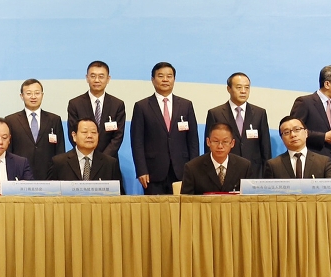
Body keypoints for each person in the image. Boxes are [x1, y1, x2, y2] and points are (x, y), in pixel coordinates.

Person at [130, 62, 199, 195]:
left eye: (169, 76)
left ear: (174, 79)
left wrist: (193, 171)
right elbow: (137, 142)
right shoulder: (142, 106)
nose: (165, 79)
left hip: (181, 171)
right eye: (161, 76)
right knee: (155, 213)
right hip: (153, 172)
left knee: (181, 212)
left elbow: (193, 141)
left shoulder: (186, 105)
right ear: (153, 80)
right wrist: (141, 170)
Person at [204, 73, 271, 178]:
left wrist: (266, 175)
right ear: (229, 89)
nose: (243, 91)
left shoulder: (259, 113)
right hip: (226, 172)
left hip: (254, 172)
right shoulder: (215, 113)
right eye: (239, 87)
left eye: (247, 87)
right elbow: (209, 147)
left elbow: (265, 148)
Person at [290, 65, 331, 175]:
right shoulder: (304, 102)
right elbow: (295, 131)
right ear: (327, 84)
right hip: (310, 164)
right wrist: (324, 137)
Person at [4, 78, 66, 180]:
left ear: (42, 95)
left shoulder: (54, 119)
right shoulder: (11, 120)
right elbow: (9, 151)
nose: (33, 97)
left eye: (37, 93)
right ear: (22, 96)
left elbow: (60, 150)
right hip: (20, 174)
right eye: (28, 93)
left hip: (49, 174)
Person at [67, 61, 126, 158]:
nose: (97, 80)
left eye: (101, 76)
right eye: (93, 76)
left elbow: (118, 137)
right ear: (87, 78)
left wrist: (102, 159)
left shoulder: (117, 104)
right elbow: (73, 133)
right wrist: (88, 155)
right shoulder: (75, 104)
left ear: (108, 79)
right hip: (83, 159)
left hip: (109, 161)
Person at [181, 123, 253, 194]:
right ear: (208, 142)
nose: (220, 146)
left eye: (225, 142)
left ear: (232, 143)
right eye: (216, 141)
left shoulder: (244, 167)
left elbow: (249, 200)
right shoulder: (192, 168)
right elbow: (186, 201)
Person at [50, 118, 123, 186]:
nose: (89, 136)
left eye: (94, 132)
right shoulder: (59, 162)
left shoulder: (110, 164)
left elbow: (120, 195)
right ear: (74, 136)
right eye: (84, 132)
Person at [265, 116, 331, 179]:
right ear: (282, 138)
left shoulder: (324, 162)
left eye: (297, 129)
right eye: (287, 132)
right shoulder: (273, 165)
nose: (293, 135)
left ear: (306, 133)